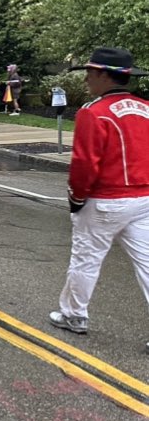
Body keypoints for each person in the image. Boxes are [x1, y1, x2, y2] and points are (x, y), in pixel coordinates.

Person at [49, 48, 149, 336]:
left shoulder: (94, 112)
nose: (87, 80)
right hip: (143, 198)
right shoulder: (145, 109)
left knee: (86, 259)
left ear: (105, 75)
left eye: (90, 74)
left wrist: (77, 199)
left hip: (105, 199)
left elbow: (84, 164)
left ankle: (74, 315)